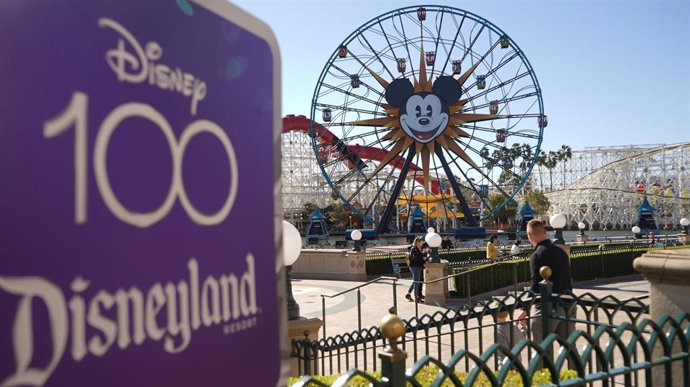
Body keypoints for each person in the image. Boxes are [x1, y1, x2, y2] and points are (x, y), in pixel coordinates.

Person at [526, 219, 575, 364]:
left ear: (529, 236)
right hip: (567, 304)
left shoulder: (537, 255)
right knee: (569, 348)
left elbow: (536, 285)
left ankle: (543, 380)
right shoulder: (561, 252)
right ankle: (577, 378)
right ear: (545, 232)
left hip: (548, 308)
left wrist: (525, 308)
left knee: (540, 351)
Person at [490, 301, 527, 366]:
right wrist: (523, 327)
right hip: (518, 361)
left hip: (507, 365)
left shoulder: (498, 330)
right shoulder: (513, 326)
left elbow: (502, 351)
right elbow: (522, 338)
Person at [405, 236, 428, 302]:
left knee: (415, 281)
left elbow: (421, 257)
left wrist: (424, 254)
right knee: (416, 282)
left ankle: (408, 294)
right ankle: (416, 298)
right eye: (420, 241)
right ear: (417, 242)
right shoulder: (414, 249)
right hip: (415, 267)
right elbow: (416, 258)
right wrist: (423, 257)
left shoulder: (418, 248)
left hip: (418, 266)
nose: (422, 242)